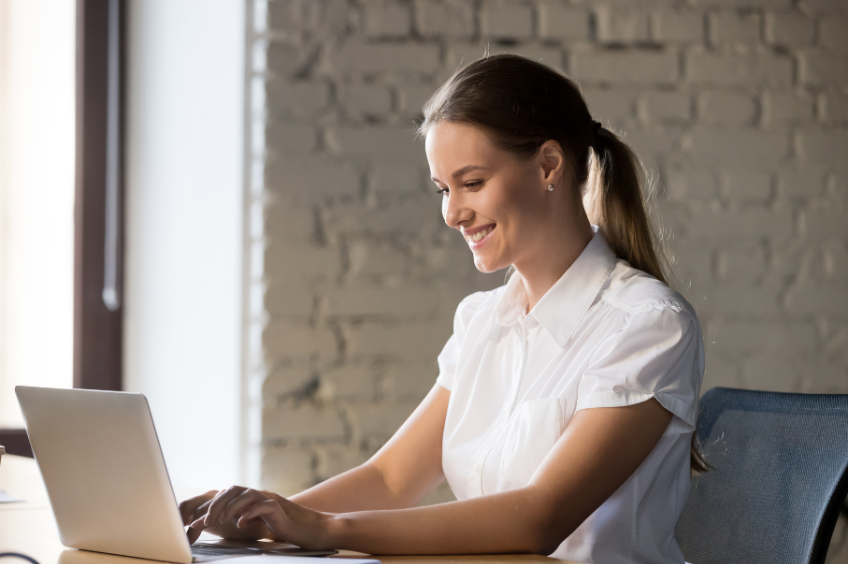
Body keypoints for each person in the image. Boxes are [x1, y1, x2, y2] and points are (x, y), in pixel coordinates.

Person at [180, 54, 706, 564]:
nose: (453, 213)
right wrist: (263, 518)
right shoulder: (482, 321)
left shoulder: (648, 324)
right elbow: (391, 479)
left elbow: (540, 519)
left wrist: (324, 529)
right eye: (443, 188)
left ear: (549, 165)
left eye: (472, 183)